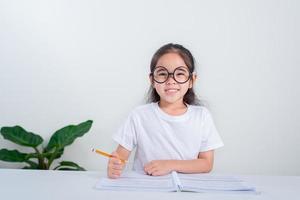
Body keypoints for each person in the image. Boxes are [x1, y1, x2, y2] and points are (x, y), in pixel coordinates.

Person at [107, 43, 224, 179]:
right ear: (152, 80)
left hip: (185, 190)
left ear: (192, 80)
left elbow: (206, 164)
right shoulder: (139, 115)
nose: (170, 81)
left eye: (180, 73)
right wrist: (114, 165)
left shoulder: (202, 116)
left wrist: (169, 165)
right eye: (162, 74)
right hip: (146, 188)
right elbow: (120, 157)